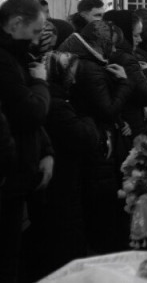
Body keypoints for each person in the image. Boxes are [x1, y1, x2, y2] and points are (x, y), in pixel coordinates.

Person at [58, 20, 133, 254]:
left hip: (95, 139)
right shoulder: (90, 68)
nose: (114, 49)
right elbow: (107, 109)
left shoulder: (85, 61)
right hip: (99, 143)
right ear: (102, 42)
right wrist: (124, 83)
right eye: (112, 44)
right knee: (103, 211)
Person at [24, 51, 99, 280]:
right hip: (61, 185)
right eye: (71, 74)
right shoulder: (58, 106)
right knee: (63, 243)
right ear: (60, 75)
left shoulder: (54, 100)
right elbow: (83, 136)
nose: (74, 81)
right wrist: (88, 119)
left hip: (58, 183)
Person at [0, 0, 52, 283]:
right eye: (34, 32)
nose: (35, 41)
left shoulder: (16, 55)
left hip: (20, 172)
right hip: (9, 176)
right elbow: (30, 112)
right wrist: (41, 82)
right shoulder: (5, 61)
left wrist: (46, 151)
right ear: (16, 23)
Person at [104, 10, 147, 136]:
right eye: (136, 35)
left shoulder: (112, 55)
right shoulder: (126, 59)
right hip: (132, 122)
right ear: (125, 34)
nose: (140, 39)